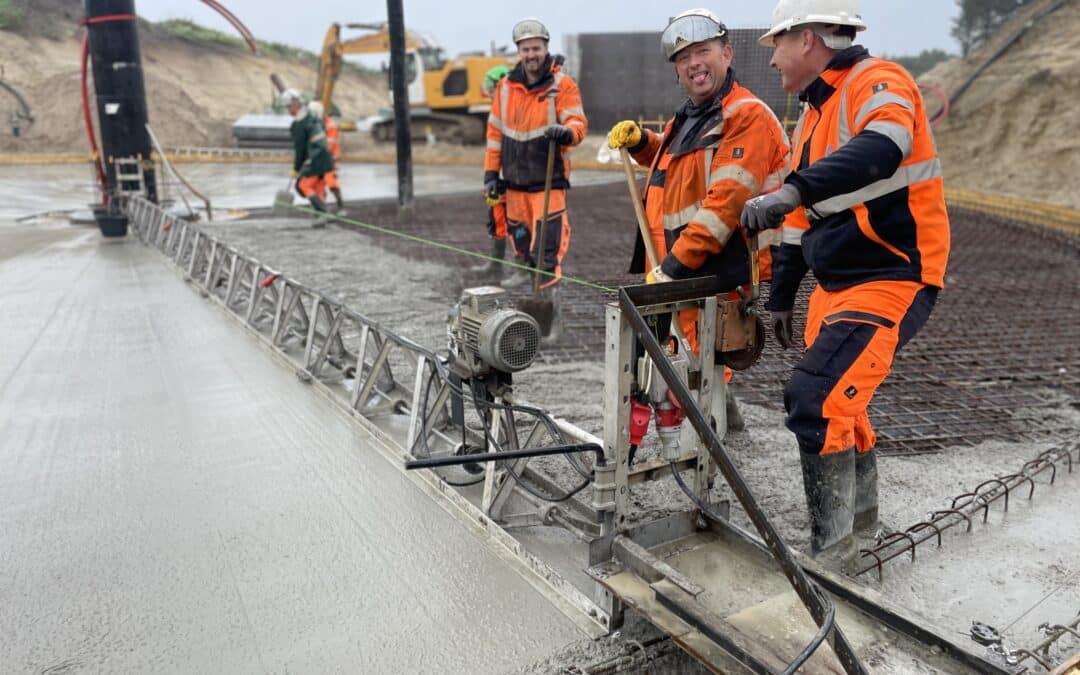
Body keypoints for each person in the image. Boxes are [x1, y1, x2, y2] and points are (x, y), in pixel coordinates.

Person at [741, 0, 950, 569]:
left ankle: (833, 560)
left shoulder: (878, 82)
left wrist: (795, 188)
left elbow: (882, 150)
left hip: (893, 274)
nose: (774, 59)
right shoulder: (811, 114)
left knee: (816, 399)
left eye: (776, 45)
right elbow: (798, 222)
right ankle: (862, 533)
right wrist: (782, 296)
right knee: (842, 406)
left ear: (807, 39)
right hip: (839, 284)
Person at [606, 8, 791, 433]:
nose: (694, 63)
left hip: (718, 266)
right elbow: (677, 166)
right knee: (695, 357)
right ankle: (722, 428)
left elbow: (726, 203)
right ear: (676, 70)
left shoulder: (744, 116)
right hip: (688, 263)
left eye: (702, 51)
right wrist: (643, 144)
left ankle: (710, 458)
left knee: (699, 364)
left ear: (726, 53)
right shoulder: (691, 117)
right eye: (683, 57)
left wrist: (670, 269)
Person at [484, 18, 588, 326]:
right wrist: (491, 175)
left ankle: (550, 319)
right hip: (514, 185)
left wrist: (567, 133)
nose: (531, 55)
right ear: (519, 51)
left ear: (546, 48)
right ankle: (532, 310)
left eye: (537, 48)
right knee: (522, 246)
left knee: (547, 253)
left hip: (547, 185)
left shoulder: (562, 86)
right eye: (526, 49)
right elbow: (494, 134)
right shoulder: (505, 87)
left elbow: (578, 123)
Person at [471, 65, 515, 281]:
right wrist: (491, 176)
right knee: (496, 217)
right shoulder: (497, 111)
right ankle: (495, 265)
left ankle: (523, 268)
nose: (487, 92)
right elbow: (494, 146)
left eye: (490, 88)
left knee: (518, 223)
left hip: (515, 175)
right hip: (499, 174)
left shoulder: (514, 109)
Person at [284, 90, 333, 227]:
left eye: (288, 107)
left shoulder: (299, 124)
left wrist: (296, 168)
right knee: (317, 187)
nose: (288, 110)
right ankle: (320, 218)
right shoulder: (312, 117)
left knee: (302, 185)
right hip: (325, 157)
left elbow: (300, 150)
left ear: (295, 105)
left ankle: (323, 212)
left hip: (316, 157)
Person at [308, 100, 346, 215]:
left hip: (330, 159)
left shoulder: (331, 126)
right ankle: (320, 209)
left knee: (331, 182)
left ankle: (341, 207)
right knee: (317, 184)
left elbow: (328, 146)